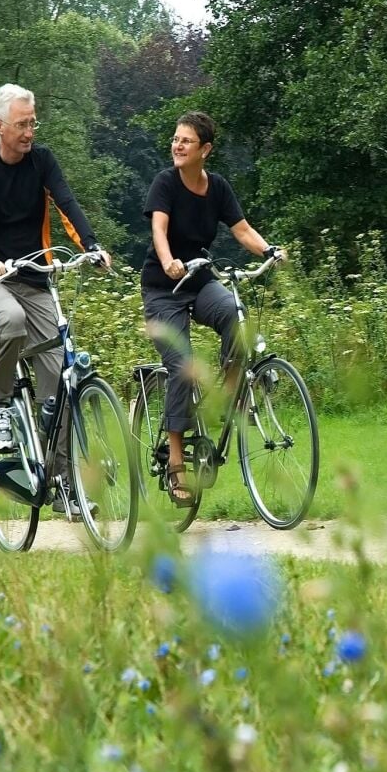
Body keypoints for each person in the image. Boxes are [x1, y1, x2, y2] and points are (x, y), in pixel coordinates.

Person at [0, 83, 111, 518]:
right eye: (22, 124)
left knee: (59, 381)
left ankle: (63, 484)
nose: (29, 132)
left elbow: (66, 201)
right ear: (0, 126)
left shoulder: (42, 161)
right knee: (9, 321)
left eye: (33, 123)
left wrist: (91, 244)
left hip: (37, 280)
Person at [141, 111, 285, 506]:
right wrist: (169, 260)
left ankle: (228, 392)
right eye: (175, 139)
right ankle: (175, 463)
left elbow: (242, 230)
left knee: (238, 318)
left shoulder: (217, 187)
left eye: (185, 141)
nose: (177, 145)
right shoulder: (165, 183)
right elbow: (159, 229)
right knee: (182, 366)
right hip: (163, 288)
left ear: (205, 149)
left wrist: (269, 250)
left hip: (200, 280)